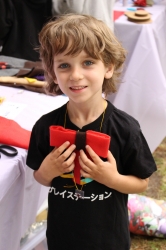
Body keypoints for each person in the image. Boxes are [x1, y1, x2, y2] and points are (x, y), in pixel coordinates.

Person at [26, 14, 157, 250]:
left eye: (88, 63)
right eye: (64, 65)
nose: (75, 75)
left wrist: (112, 178)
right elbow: (40, 177)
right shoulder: (45, 126)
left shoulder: (126, 128)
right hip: (62, 237)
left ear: (108, 67)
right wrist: (48, 170)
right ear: (53, 72)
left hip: (108, 239)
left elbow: (142, 182)